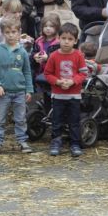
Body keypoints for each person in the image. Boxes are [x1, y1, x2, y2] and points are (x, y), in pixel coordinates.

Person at [0, 16, 34, 155]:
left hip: (19, 92)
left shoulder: (22, 52)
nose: (11, 35)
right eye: (7, 32)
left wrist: (29, 90)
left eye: (14, 32)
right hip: (4, 92)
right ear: (3, 33)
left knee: (20, 119)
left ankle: (22, 140)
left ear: (19, 32)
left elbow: (27, 71)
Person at [43, 22, 87, 157]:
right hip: (58, 95)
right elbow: (47, 73)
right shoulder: (54, 56)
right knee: (57, 121)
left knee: (74, 121)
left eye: (70, 39)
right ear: (58, 38)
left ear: (75, 41)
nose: (66, 42)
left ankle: (75, 143)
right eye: (63, 38)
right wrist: (58, 82)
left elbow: (83, 73)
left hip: (74, 96)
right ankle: (56, 142)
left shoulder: (78, 55)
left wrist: (73, 81)